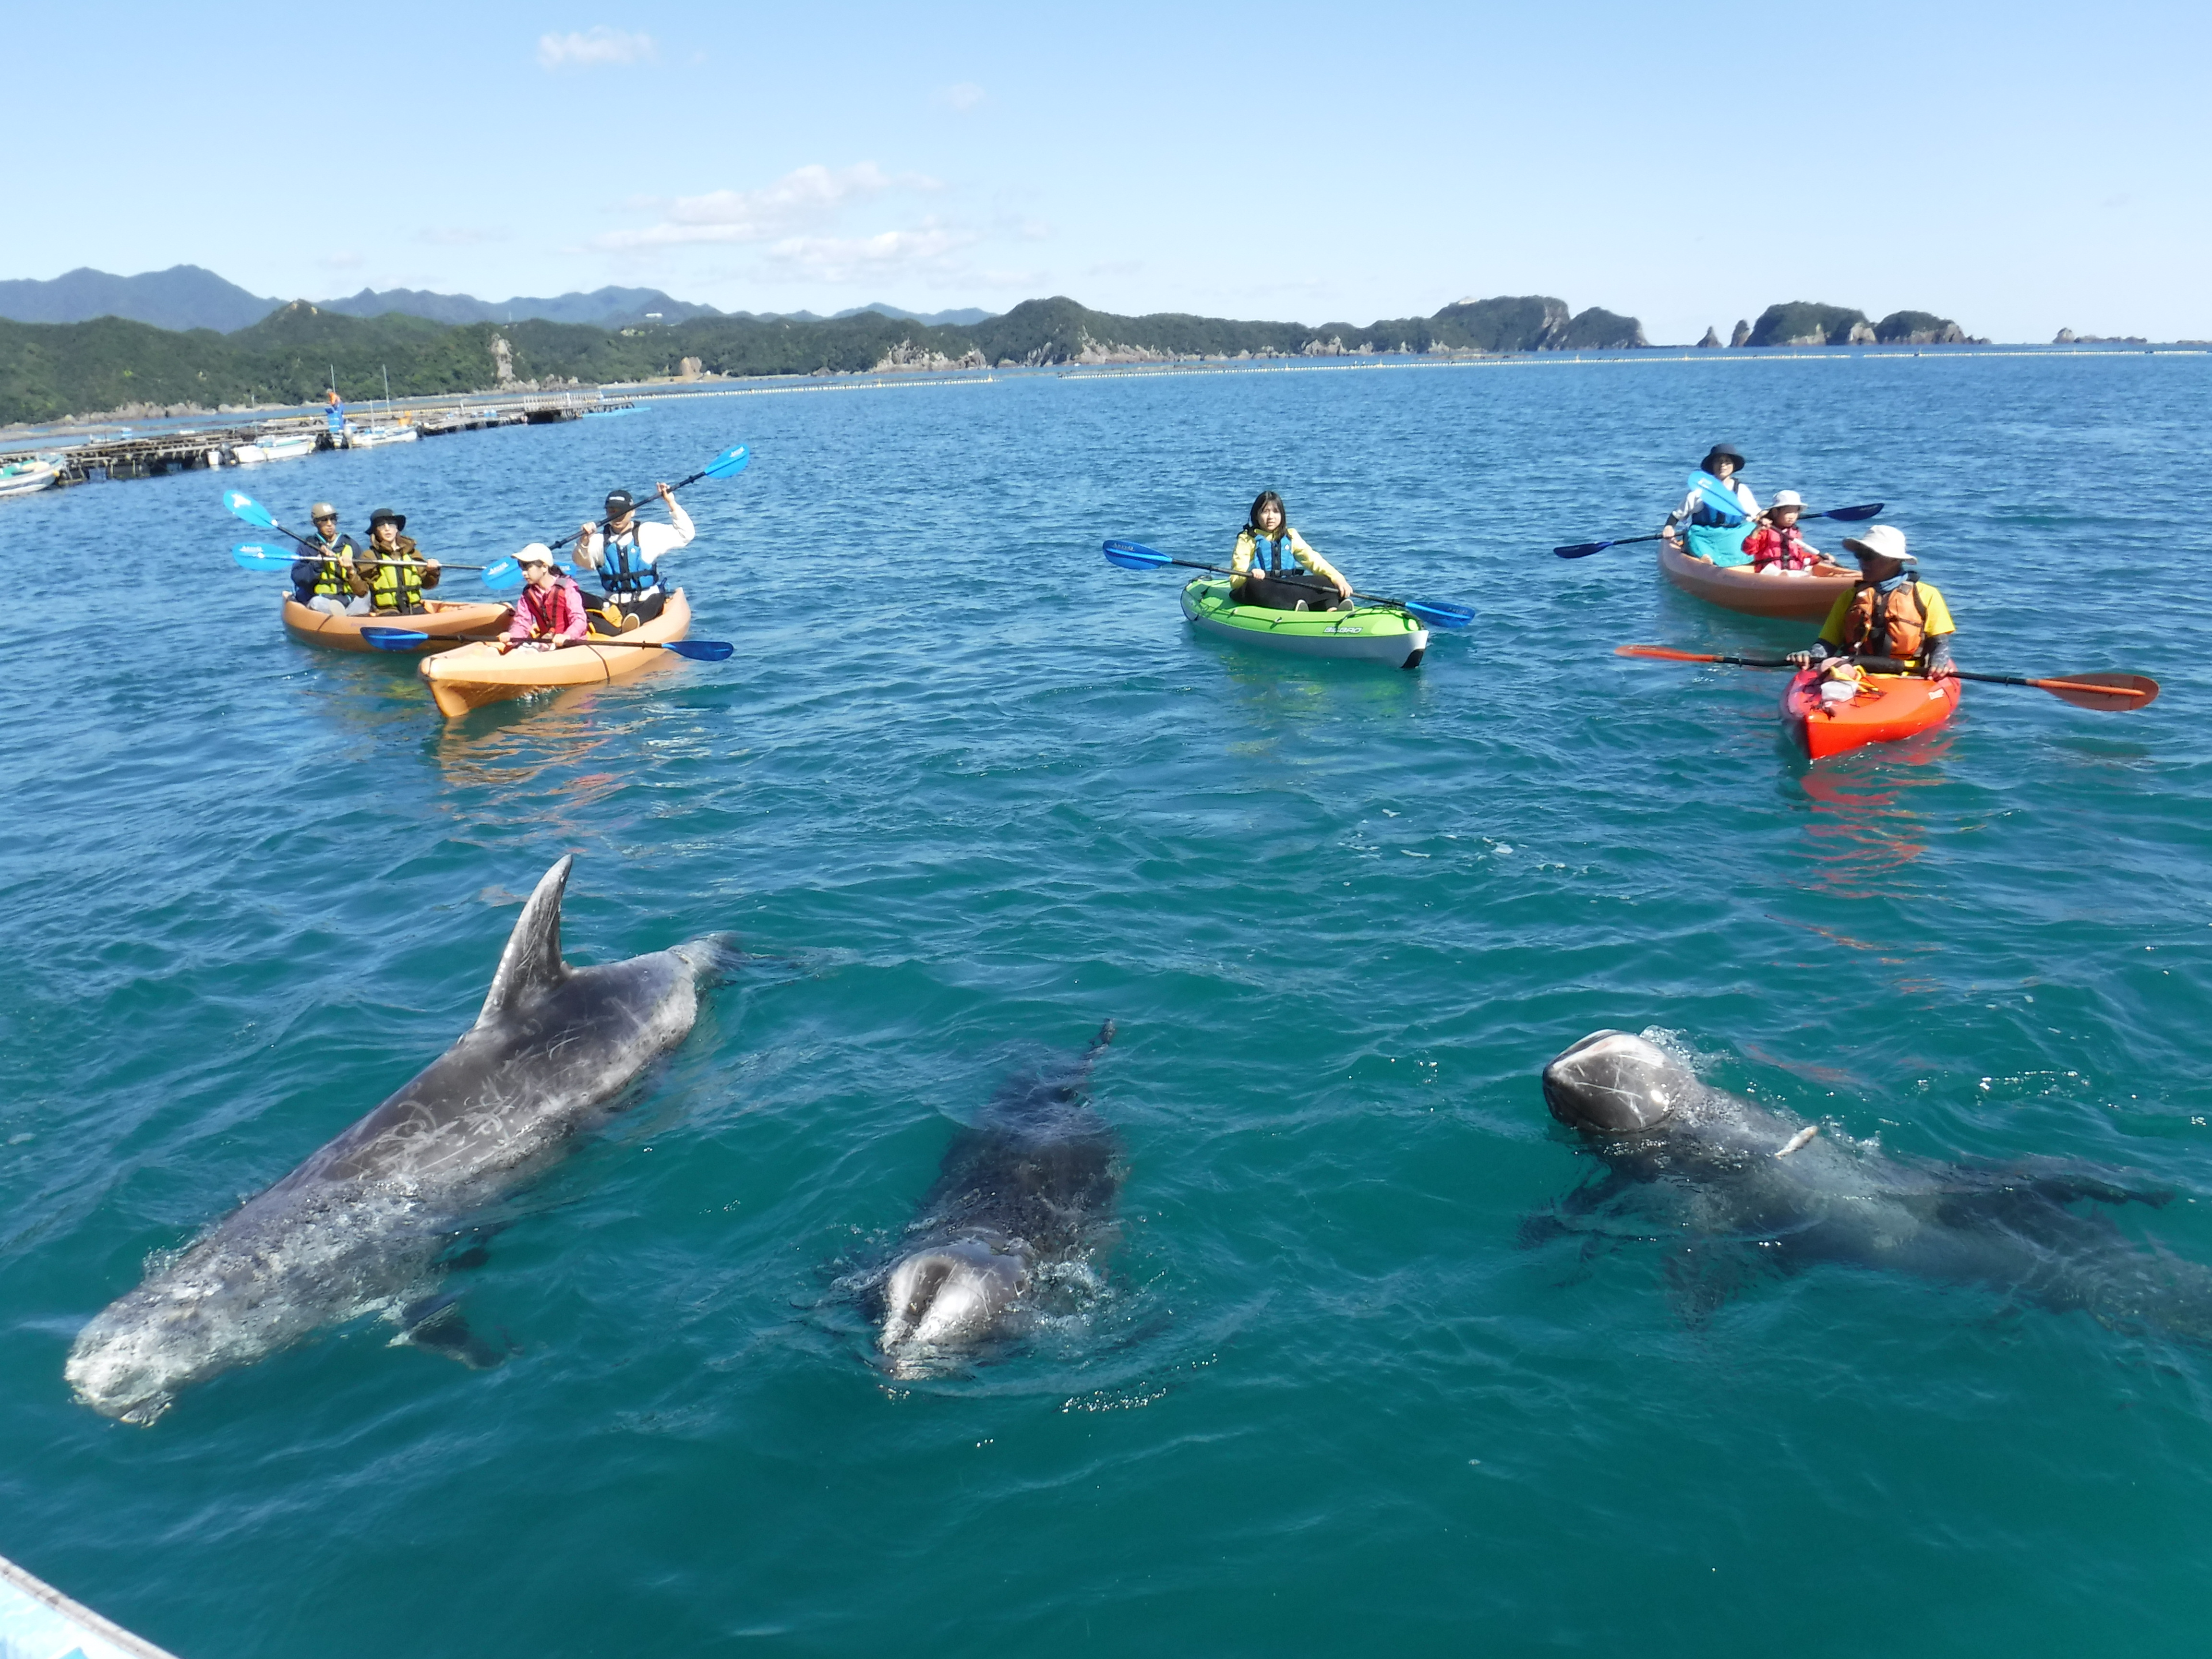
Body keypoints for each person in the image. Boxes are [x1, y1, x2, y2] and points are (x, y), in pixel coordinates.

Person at [1788, 525, 1957, 678]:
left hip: (1909, 676)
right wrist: (1811, 656)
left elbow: (1940, 643)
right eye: (1859, 555)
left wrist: (1939, 664)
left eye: (1869, 556)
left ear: (1894, 560)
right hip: (1854, 671)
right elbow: (1828, 643)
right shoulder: (1850, 597)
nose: (1862, 562)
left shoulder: (1926, 595)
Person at [576, 481, 692, 629]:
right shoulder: (598, 541)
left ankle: (634, 620)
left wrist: (671, 503)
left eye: (621, 512)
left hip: (646, 601)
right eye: (612, 511)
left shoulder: (648, 533)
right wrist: (584, 541)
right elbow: (581, 562)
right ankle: (611, 626)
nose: (617, 516)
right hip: (613, 605)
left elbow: (685, 534)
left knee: (657, 597)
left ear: (632, 512)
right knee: (575, 594)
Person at [1230, 491, 1352, 611]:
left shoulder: (1291, 536)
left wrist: (1338, 578)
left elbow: (1313, 560)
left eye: (1276, 512)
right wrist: (1251, 575)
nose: (1271, 517)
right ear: (1257, 515)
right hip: (1264, 587)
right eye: (1265, 512)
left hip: (1286, 585)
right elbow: (1235, 581)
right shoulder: (1247, 539)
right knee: (1255, 586)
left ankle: (1332, 610)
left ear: (1282, 515)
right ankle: (1298, 607)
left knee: (1326, 580)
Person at [1661, 443, 1761, 567]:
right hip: (1706, 535)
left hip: (1732, 535)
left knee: (1750, 527)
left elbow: (1756, 515)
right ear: (1712, 466)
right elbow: (1678, 514)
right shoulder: (1700, 491)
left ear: (1733, 466)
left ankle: (1750, 561)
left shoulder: (1741, 490)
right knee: (1693, 533)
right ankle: (1705, 559)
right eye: (1718, 462)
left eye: (1727, 462)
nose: (1723, 466)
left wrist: (1762, 521)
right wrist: (1669, 527)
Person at [498, 546, 589, 653]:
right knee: (515, 653)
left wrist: (568, 636)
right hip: (547, 643)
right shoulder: (528, 594)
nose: (524, 573)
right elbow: (522, 622)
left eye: (528, 567)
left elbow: (579, 619)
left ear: (544, 567)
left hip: (572, 644)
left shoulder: (567, 588)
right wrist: (513, 636)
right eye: (522, 567)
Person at [358, 506, 442, 616]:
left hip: (414, 608)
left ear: (397, 528)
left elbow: (428, 585)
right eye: (382, 525)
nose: (387, 529)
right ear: (376, 531)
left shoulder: (412, 553)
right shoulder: (370, 556)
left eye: (391, 524)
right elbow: (361, 590)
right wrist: (350, 571)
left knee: (422, 613)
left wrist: (432, 572)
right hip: (387, 611)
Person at [289, 502, 369, 615]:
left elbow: (364, 579)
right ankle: (338, 616)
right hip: (323, 600)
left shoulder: (350, 544)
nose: (330, 524)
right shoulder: (307, 547)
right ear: (315, 523)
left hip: (348, 599)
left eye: (333, 519)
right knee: (316, 602)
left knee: (367, 595)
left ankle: (348, 618)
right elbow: (298, 578)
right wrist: (318, 562)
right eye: (324, 520)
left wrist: (351, 570)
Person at [1741, 491, 1841, 576]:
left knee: (1804, 575)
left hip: (1792, 574)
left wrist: (1819, 558)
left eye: (1795, 513)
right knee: (1785, 575)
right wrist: (1757, 530)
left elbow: (1800, 556)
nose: (1792, 517)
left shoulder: (1795, 533)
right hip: (1769, 573)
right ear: (1775, 512)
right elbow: (1748, 550)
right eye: (1788, 512)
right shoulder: (1765, 530)